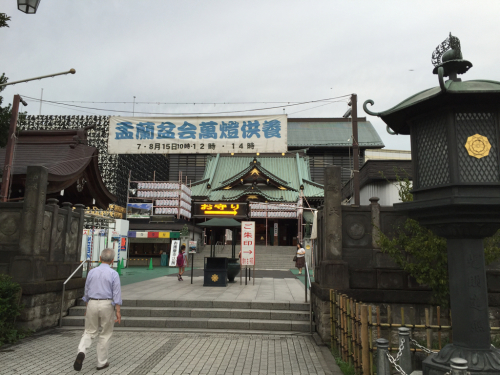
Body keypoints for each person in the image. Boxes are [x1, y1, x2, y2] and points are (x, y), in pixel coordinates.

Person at [73, 248, 122, 372]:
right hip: (107, 303)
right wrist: (118, 311)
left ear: (100, 258)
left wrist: (87, 306)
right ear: (112, 261)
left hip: (92, 303)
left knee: (89, 331)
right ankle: (101, 362)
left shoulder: (91, 272)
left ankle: (82, 351)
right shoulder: (113, 273)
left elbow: (87, 290)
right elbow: (116, 293)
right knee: (105, 333)